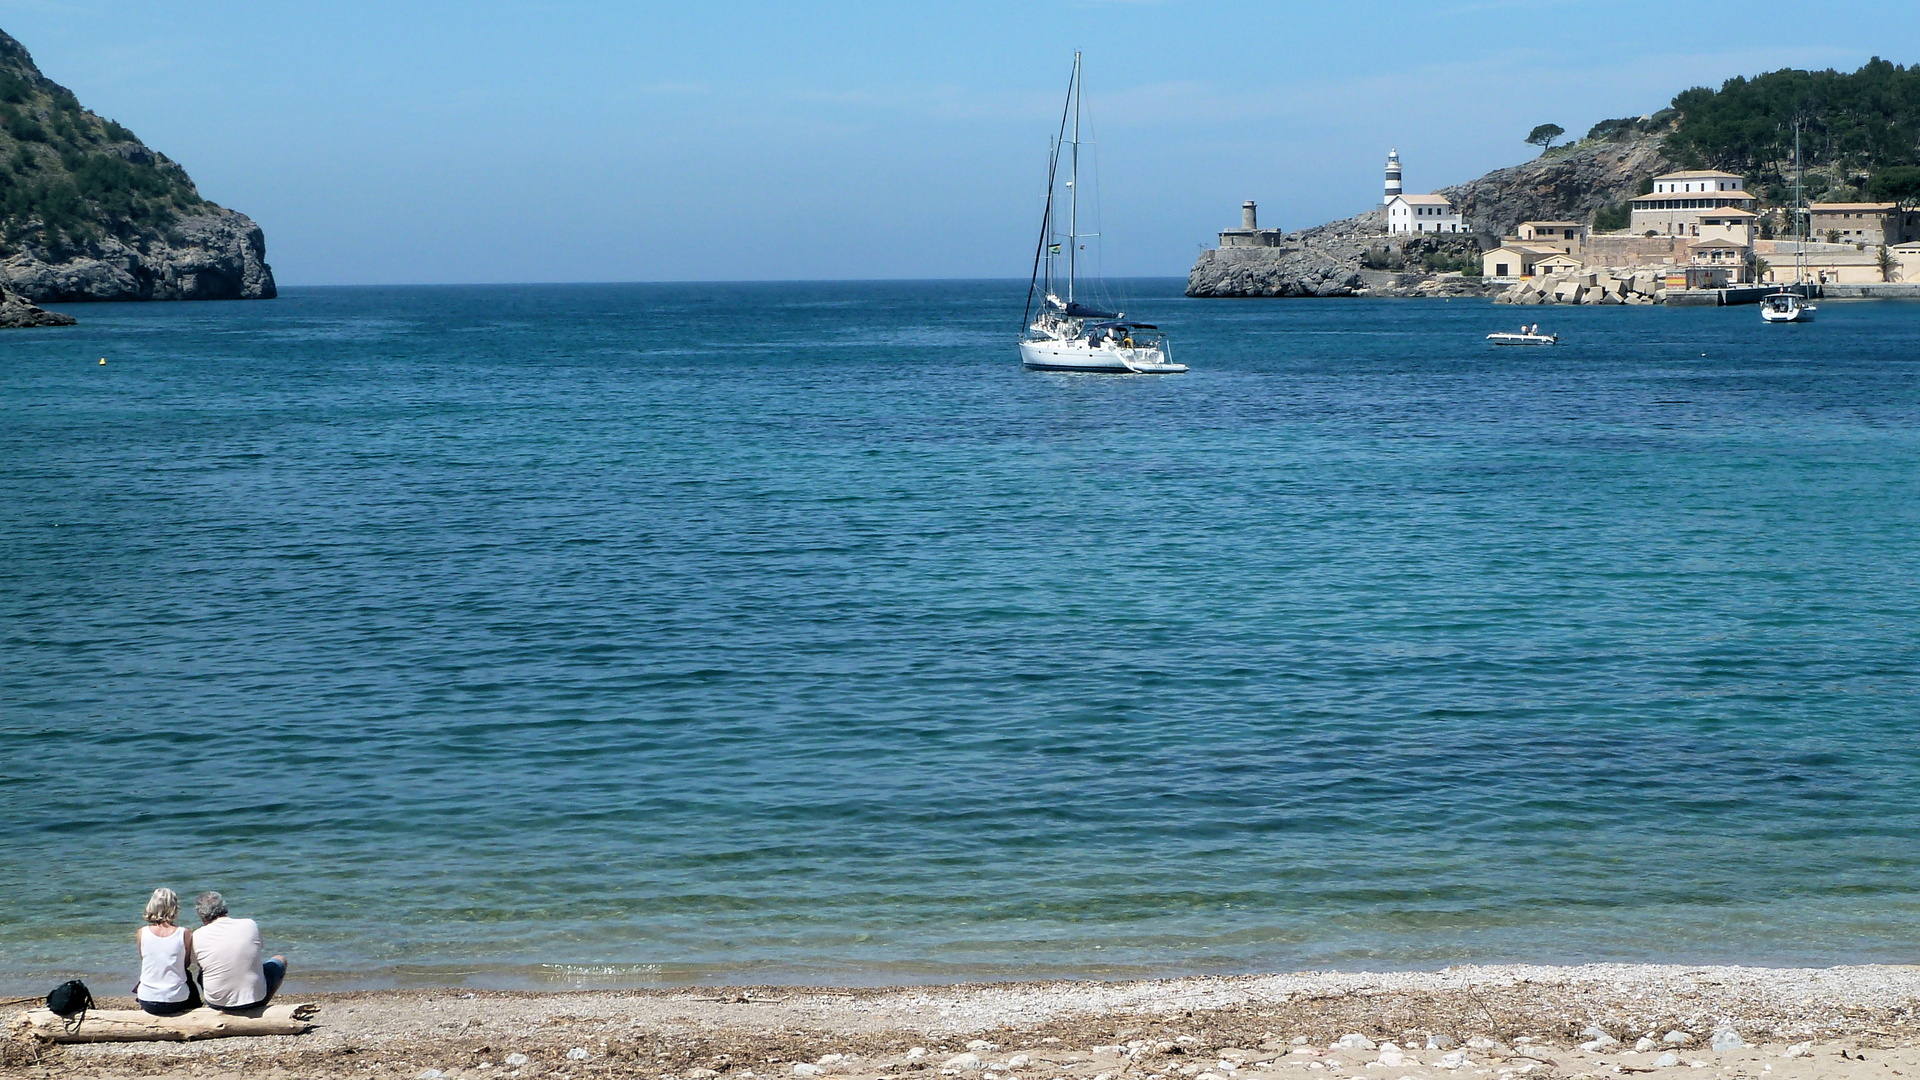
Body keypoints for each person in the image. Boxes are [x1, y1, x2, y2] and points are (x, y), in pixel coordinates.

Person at [192, 891, 287, 1012]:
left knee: (203, 969)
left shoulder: (197, 935)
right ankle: (260, 1005)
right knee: (280, 960)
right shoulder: (250, 924)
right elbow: (258, 949)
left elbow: (198, 963)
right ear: (225, 908)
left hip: (216, 1003)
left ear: (201, 914)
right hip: (256, 998)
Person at [134, 888, 198, 1016]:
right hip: (176, 1000)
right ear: (175, 908)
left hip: (147, 1000)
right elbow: (184, 964)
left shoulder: (142, 932)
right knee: (187, 975)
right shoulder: (184, 933)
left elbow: (145, 959)